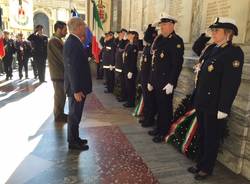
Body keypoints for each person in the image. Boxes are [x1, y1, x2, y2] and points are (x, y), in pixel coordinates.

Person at [187, 17, 244, 180]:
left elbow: (231, 83)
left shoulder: (233, 52)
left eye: (216, 31)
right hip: (202, 101)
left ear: (228, 34)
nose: (213, 33)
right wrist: (205, 36)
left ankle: (206, 168)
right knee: (203, 135)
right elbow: (197, 48)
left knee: (211, 138)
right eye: (212, 30)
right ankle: (199, 163)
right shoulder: (213, 48)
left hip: (215, 105)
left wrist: (224, 108)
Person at [147, 15, 184, 143]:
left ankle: (163, 132)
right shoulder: (160, 40)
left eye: (164, 25)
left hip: (166, 82)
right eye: (161, 25)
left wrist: (171, 83)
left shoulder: (176, 41)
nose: (161, 27)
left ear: (172, 25)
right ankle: (158, 128)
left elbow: (176, 65)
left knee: (165, 108)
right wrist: (151, 80)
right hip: (157, 80)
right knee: (158, 106)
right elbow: (155, 63)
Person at [64, 17, 92, 151]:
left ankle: (75, 138)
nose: (85, 29)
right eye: (84, 26)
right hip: (76, 89)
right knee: (74, 115)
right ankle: (72, 142)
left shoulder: (73, 41)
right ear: (78, 27)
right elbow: (72, 69)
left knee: (76, 115)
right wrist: (76, 90)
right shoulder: (73, 43)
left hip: (77, 87)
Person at [48, 21, 68, 122]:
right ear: (58, 29)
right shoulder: (54, 41)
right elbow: (61, 57)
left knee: (61, 95)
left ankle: (61, 113)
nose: (66, 32)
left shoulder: (58, 40)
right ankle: (58, 115)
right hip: (58, 73)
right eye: (65, 30)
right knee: (59, 95)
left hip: (60, 73)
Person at [139, 24, 158, 127]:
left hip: (149, 77)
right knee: (146, 98)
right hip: (144, 76)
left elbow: (152, 65)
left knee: (150, 99)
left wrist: (151, 80)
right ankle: (146, 117)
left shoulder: (153, 47)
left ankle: (149, 119)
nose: (145, 37)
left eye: (147, 34)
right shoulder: (147, 46)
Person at [123, 31, 139, 108]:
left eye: (129, 34)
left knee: (131, 86)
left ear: (133, 35)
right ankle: (128, 100)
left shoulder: (134, 46)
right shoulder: (128, 45)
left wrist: (131, 71)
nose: (127, 35)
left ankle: (131, 102)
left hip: (130, 69)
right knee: (128, 86)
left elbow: (133, 60)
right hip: (126, 68)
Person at [114, 28, 128, 102]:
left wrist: (123, 39)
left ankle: (123, 96)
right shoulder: (119, 41)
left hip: (122, 65)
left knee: (123, 82)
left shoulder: (126, 42)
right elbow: (115, 44)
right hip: (118, 64)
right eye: (119, 33)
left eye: (121, 33)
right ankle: (120, 94)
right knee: (119, 81)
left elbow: (122, 48)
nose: (120, 35)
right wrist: (119, 39)